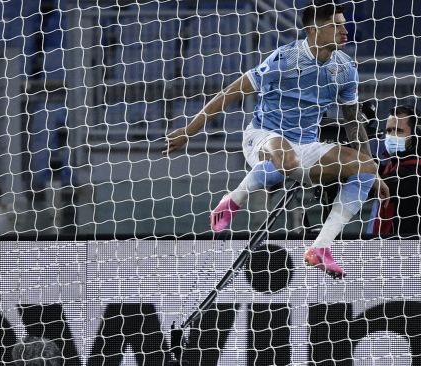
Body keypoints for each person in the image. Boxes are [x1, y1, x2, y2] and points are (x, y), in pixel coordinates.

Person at [164, 0, 389, 279]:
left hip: (306, 145)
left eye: (344, 24)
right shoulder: (285, 59)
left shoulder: (345, 69)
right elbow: (231, 92)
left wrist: (374, 171)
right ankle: (235, 198)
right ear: (313, 30)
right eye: (336, 25)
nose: (345, 30)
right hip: (262, 137)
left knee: (365, 167)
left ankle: (320, 248)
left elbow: (354, 121)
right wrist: (189, 130)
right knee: (285, 156)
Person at [372, 105, 421, 236]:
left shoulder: (419, 172)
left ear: (416, 135)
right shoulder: (395, 165)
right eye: (389, 130)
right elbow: (382, 172)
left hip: (417, 252)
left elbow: (382, 183)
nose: (391, 136)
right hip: (399, 249)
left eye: (399, 131)